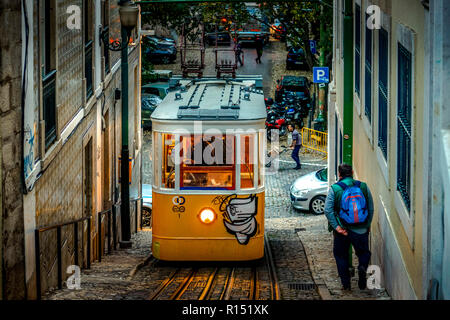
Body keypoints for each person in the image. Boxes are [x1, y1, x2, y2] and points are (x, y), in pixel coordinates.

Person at [324, 163, 374, 291]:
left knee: (341, 255)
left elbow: (328, 210)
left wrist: (337, 227)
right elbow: (370, 207)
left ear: (339, 174)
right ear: (352, 172)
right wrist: (367, 224)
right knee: (363, 253)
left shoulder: (335, 189)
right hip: (361, 229)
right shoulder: (362, 186)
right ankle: (362, 267)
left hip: (343, 230)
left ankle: (346, 284)